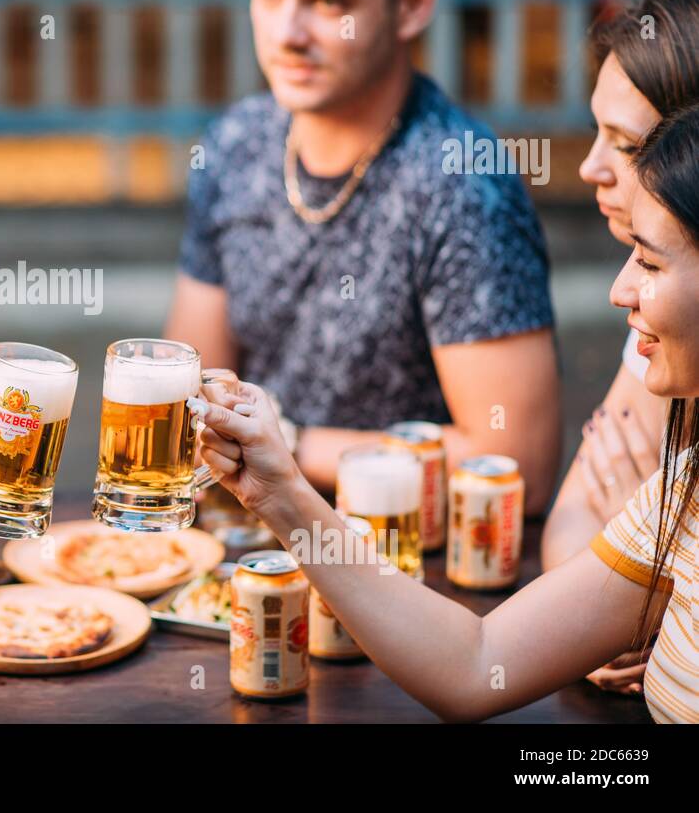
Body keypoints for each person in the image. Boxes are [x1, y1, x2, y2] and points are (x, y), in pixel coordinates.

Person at [194, 101, 699, 723]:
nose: (619, 290)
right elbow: (474, 663)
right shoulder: (687, 488)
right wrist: (280, 496)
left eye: (648, 262)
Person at [166, 0, 560, 512]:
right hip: (244, 549)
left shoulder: (460, 181)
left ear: (412, 5)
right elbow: (191, 389)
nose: (287, 33)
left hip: (404, 573)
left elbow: (516, 460)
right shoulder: (237, 142)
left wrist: (285, 442)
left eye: (328, 0)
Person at [540, 0, 699, 695]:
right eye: (595, 130)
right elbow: (572, 511)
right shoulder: (653, 295)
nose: (590, 167)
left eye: (628, 144)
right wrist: (605, 616)